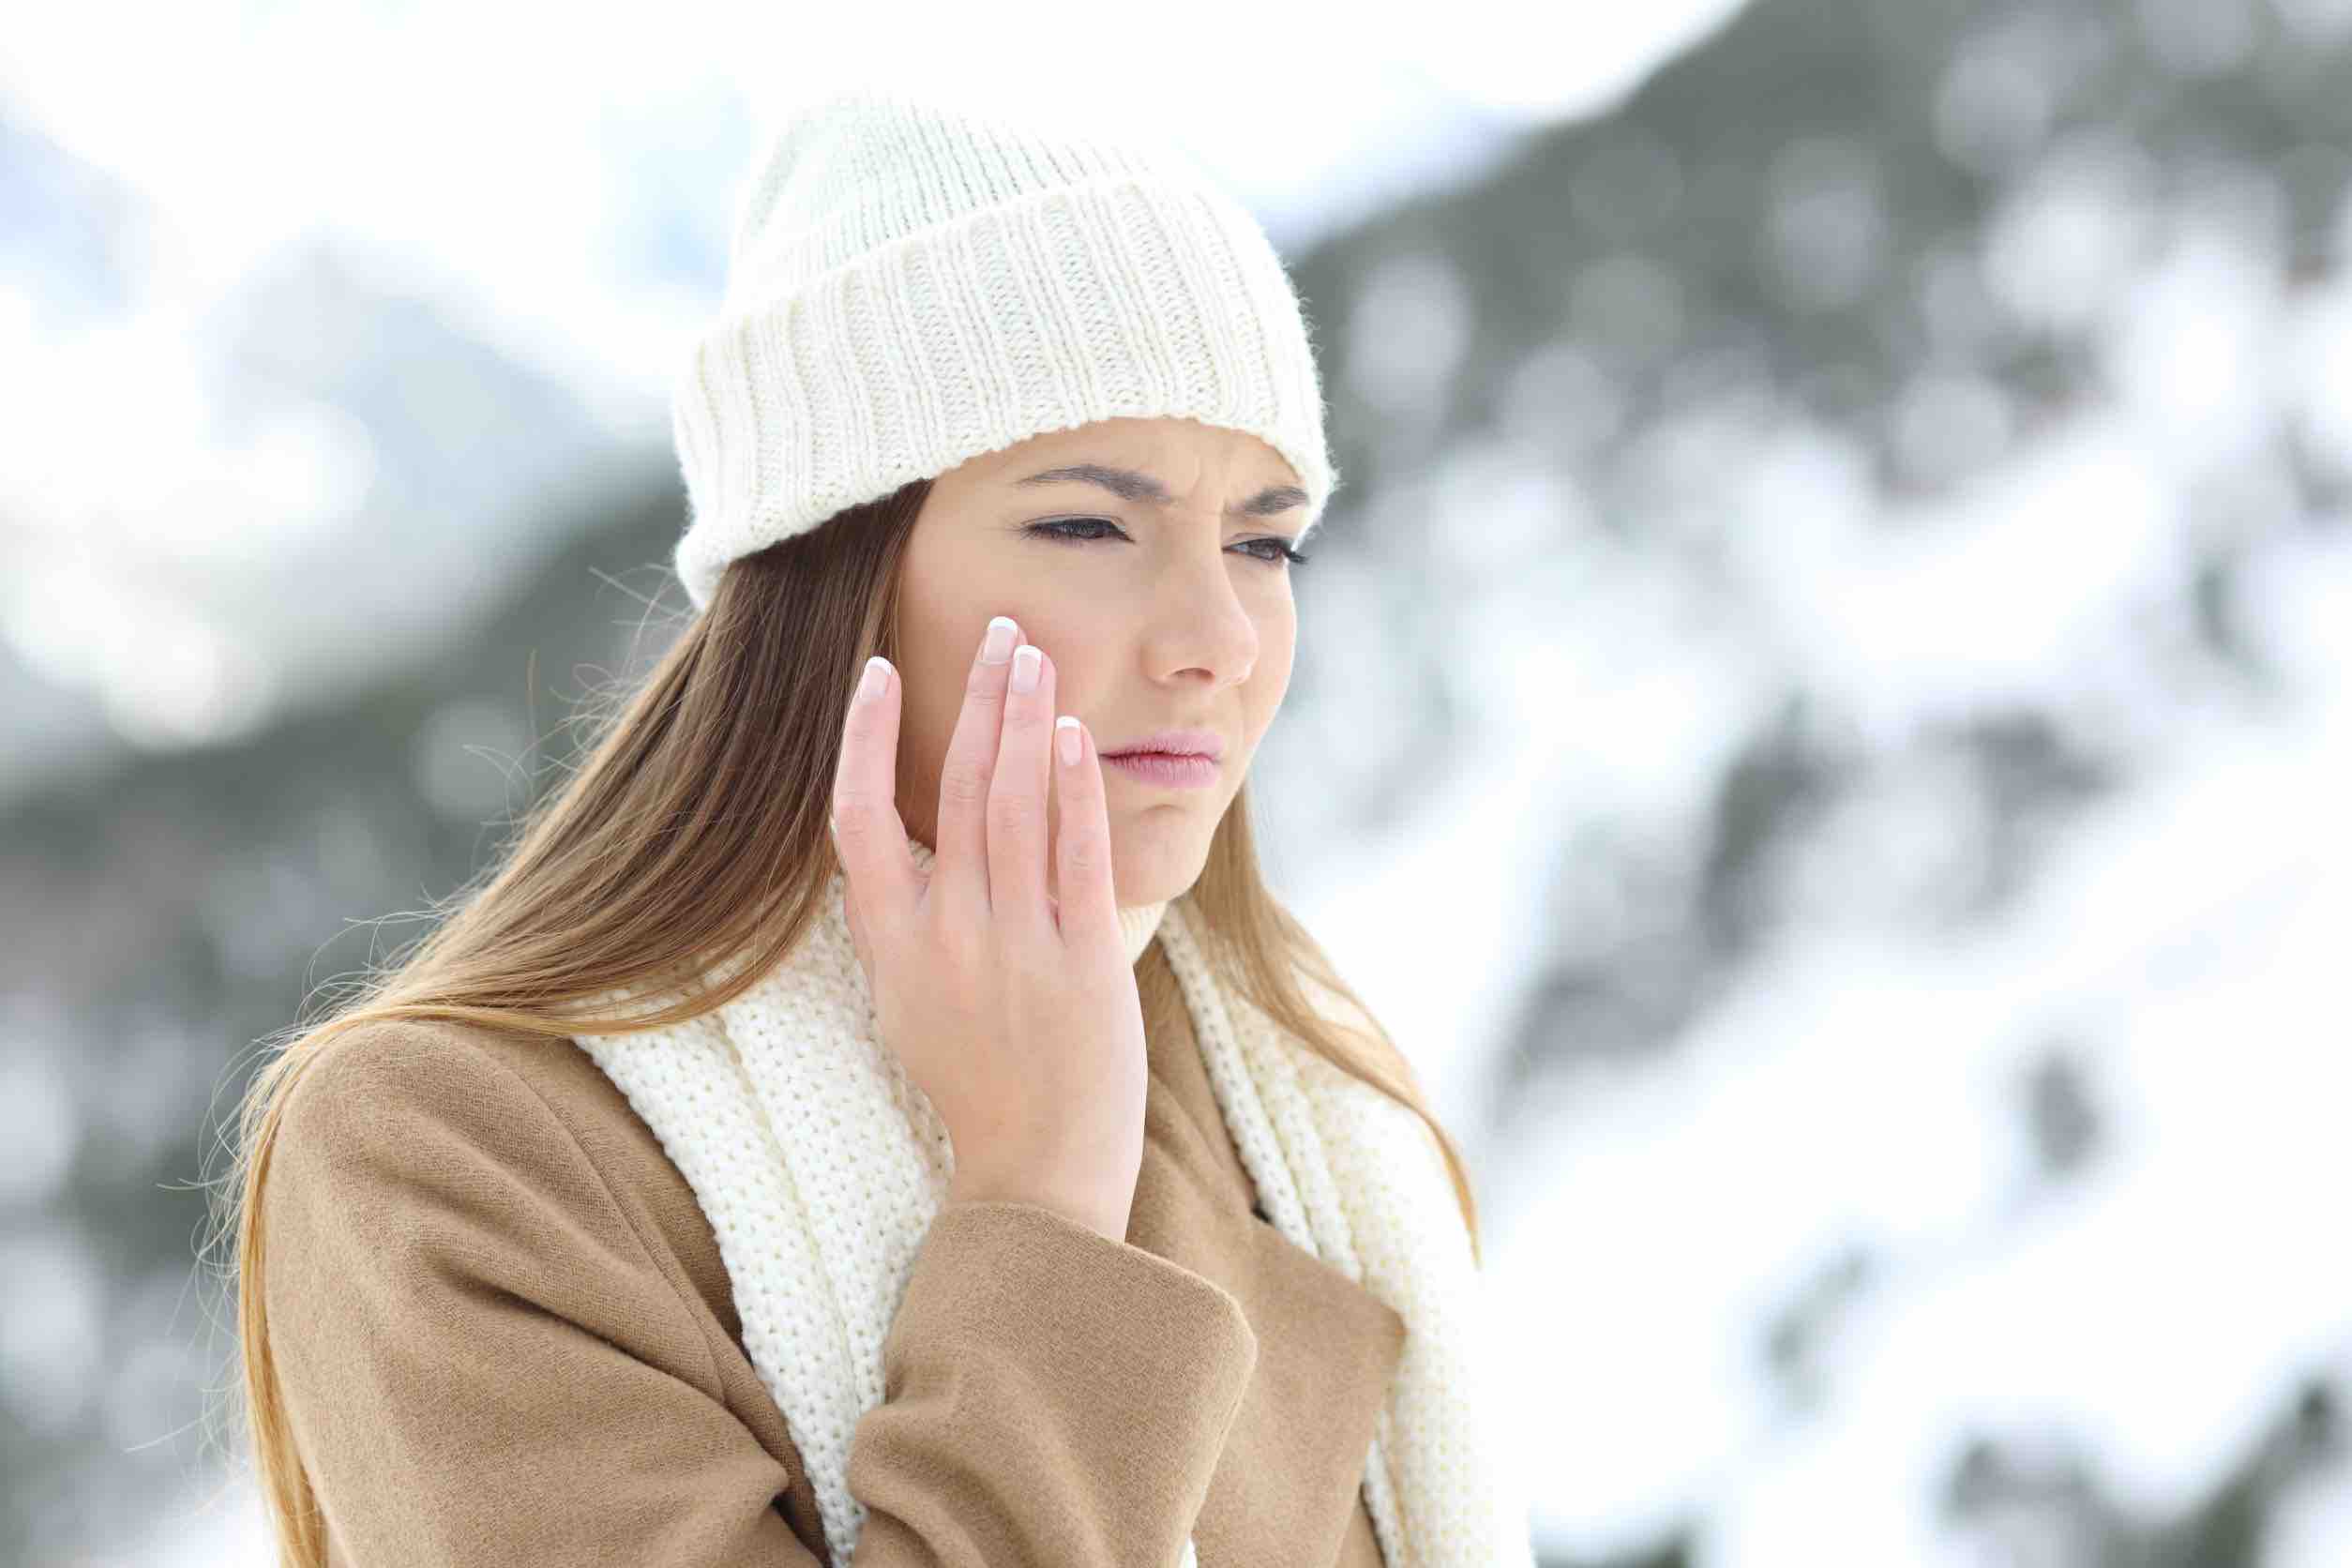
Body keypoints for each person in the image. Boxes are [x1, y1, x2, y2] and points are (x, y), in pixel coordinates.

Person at [223, 84, 1528, 1567]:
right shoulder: (456, 1153)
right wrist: (1038, 1203)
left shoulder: (1291, 1099)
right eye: (1090, 526)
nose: (1219, 637)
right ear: (832, 574)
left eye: (1265, 541)